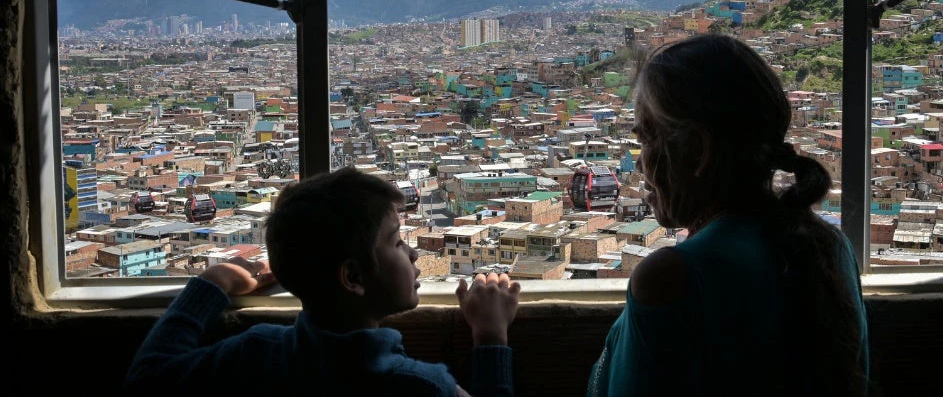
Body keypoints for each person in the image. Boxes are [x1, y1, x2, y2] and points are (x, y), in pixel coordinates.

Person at [588, 34, 870, 396]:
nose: (640, 163)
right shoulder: (829, 247)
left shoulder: (673, 277)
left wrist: (491, 343)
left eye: (646, 139)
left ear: (697, 151)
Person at [123, 167, 521, 396]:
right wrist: (490, 338)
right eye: (398, 241)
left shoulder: (256, 354)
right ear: (352, 276)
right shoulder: (417, 386)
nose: (414, 254)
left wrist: (212, 281)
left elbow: (147, 379)